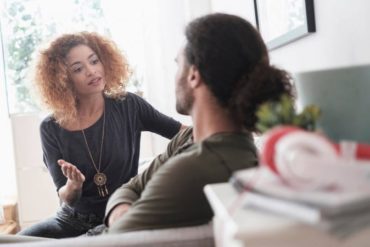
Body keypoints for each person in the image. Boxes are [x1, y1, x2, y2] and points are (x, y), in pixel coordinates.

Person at [104, 13, 294, 234]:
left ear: (194, 75)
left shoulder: (196, 168)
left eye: (178, 65)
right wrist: (124, 205)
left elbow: (118, 238)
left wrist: (121, 209)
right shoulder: (190, 138)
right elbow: (131, 186)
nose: (175, 77)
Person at [18, 32, 182, 238]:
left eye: (94, 61)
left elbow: (183, 134)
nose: (91, 71)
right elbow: (66, 196)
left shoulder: (129, 105)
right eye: (78, 69)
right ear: (63, 79)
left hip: (120, 216)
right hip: (72, 220)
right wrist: (73, 185)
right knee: (16, 242)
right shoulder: (50, 127)